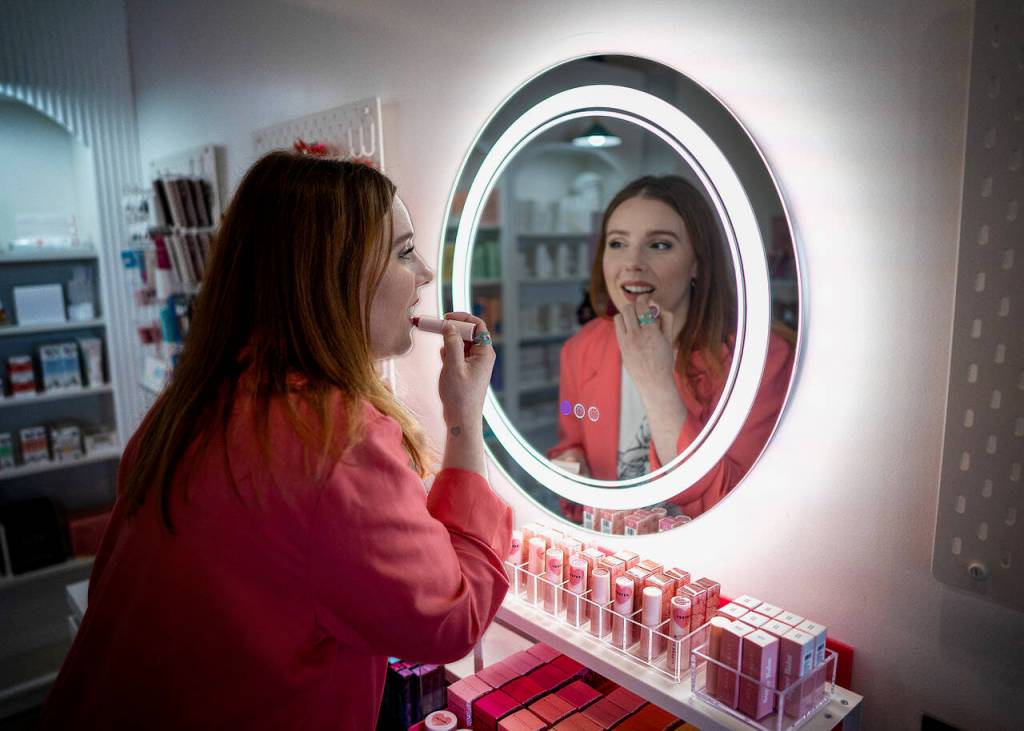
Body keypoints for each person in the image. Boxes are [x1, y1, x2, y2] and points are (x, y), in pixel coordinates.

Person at [40, 152, 512, 729]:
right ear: (330, 276)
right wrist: (464, 419)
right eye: (403, 252)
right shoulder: (337, 441)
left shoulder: (193, 399)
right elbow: (452, 617)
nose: (426, 274)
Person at [549, 175, 794, 518]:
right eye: (617, 243)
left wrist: (656, 384)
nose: (632, 262)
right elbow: (571, 441)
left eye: (660, 245)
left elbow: (733, 506)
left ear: (698, 263)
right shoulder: (581, 349)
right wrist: (572, 464)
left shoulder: (762, 359)